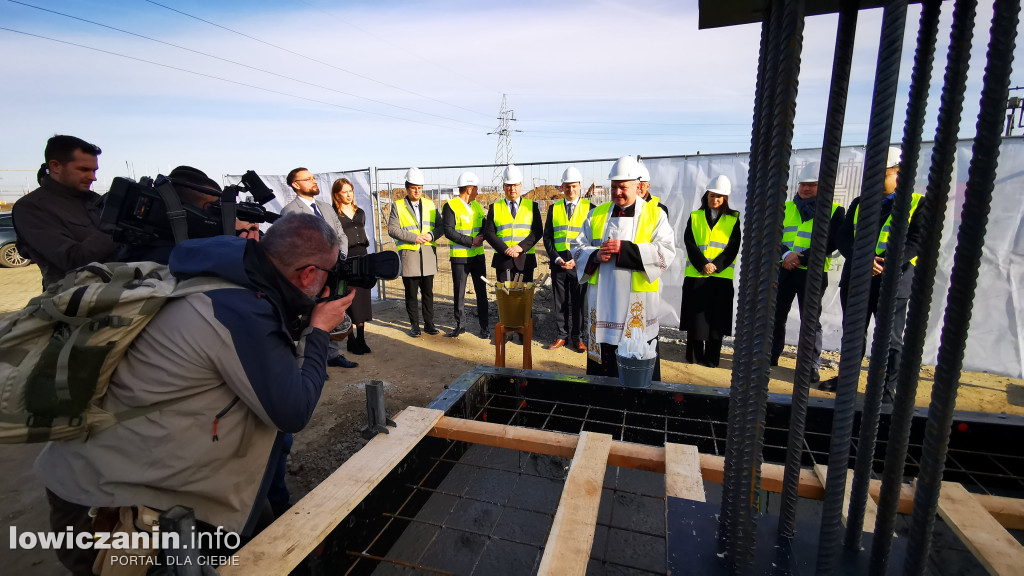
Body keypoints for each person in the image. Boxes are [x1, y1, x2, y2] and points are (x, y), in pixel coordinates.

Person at [35, 213, 355, 574]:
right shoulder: (239, 309)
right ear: (309, 275)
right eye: (330, 272)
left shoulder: (227, 274)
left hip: (119, 474)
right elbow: (292, 410)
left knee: (258, 529)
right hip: (111, 507)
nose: (333, 281)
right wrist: (319, 330)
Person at [829, 147, 926, 399]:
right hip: (857, 279)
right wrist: (862, 259)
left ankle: (886, 389)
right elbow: (843, 236)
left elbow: (917, 240)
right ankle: (846, 381)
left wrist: (885, 264)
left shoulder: (918, 203)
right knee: (852, 334)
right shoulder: (860, 203)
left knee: (890, 339)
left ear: (899, 174)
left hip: (894, 281)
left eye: (880, 174)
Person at [572, 155, 676, 378]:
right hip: (602, 301)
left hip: (638, 304)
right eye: (614, 187)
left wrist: (625, 249)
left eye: (623, 187)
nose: (618, 192)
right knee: (603, 371)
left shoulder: (655, 214)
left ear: (638, 186)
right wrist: (596, 256)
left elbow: (666, 252)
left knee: (636, 365)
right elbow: (577, 246)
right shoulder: (596, 214)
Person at [770, 162, 845, 383]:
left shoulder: (834, 210)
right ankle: (771, 357)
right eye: (803, 184)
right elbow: (774, 236)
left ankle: (809, 366)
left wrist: (798, 258)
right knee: (776, 317)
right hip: (784, 270)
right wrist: (785, 255)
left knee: (810, 320)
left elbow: (831, 243)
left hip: (812, 273)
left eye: (811, 185)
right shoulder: (786, 208)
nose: (805, 189)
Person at [12, 135, 120, 288]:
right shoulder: (31, 208)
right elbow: (71, 259)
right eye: (84, 169)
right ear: (55, 166)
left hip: (120, 286)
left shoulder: (94, 199)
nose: (93, 177)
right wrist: (117, 227)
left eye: (94, 170)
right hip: (73, 298)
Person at [281, 167, 357, 368]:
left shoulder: (326, 207)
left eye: (313, 177)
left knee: (332, 312)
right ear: (295, 185)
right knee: (312, 317)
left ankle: (332, 355)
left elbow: (340, 234)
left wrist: (340, 256)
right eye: (307, 179)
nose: (314, 181)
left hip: (335, 271)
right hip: (312, 275)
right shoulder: (290, 211)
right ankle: (313, 361)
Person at [680, 175, 740, 368]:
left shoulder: (733, 219)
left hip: (720, 278)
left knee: (716, 320)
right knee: (696, 320)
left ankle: (712, 358)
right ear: (707, 195)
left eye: (720, 196)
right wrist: (703, 264)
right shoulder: (695, 216)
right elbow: (689, 242)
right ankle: (695, 356)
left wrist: (716, 265)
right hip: (697, 275)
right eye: (712, 195)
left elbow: (733, 246)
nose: (715, 199)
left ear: (725, 199)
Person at [388, 167, 440, 337]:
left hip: (427, 255)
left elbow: (440, 227)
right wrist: (414, 237)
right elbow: (392, 229)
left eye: (420, 187)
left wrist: (431, 235)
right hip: (409, 256)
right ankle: (414, 325)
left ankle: (429, 324)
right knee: (411, 293)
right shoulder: (398, 206)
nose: (417, 191)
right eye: (413, 187)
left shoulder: (430, 204)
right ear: (407, 187)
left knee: (428, 293)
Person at [543, 166, 590, 352]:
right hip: (559, 264)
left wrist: (579, 260)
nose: (571, 190)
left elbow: (593, 239)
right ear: (562, 187)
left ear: (580, 186)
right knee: (560, 302)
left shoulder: (590, 209)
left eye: (574, 186)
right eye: (567, 186)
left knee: (578, 303)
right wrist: (556, 259)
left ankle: (577, 338)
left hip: (579, 263)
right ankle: (562, 335)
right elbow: (547, 238)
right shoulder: (554, 209)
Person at [442, 171, 490, 339]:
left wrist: (482, 237)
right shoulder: (450, 206)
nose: (478, 192)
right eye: (476, 188)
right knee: (459, 293)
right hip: (460, 258)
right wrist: (470, 241)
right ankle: (459, 326)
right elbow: (448, 231)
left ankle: (484, 327)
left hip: (478, 257)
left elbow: (484, 226)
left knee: (481, 292)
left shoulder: (477, 206)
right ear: (469, 189)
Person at [332, 177, 374, 354]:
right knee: (349, 299)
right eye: (344, 191)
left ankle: (361, 338)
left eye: (351, 191)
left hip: (362, 257)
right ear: (337, 194)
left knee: (363, 299)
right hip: (345, 258)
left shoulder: (360, 212)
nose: (349, 195)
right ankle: (351, 340)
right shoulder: (333, 214)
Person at [482, 164, 543, 282]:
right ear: (504, 187)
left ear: (521, 185)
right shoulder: (494, 207)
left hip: (525, 260)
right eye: (509, 185)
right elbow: (489, 233)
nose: (512, 188)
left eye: (515, 185)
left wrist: (520, 247)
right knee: (505, 298)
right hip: (503, 261)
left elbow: (537, 231)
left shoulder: (532, 207)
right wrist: (505, 249)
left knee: (524, 298)